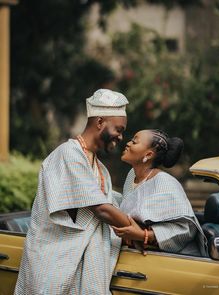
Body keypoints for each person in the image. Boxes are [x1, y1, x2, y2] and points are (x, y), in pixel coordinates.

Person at [14, 89, 133, 295]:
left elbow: (113, 205)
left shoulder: (97, 165)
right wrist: (142, 234)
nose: (121, 137)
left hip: (75, 266)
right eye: (119, 129)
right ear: (99, 122)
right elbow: (102, 210)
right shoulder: (69, 154)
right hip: (53, 267)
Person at [112, 129, 208, 257]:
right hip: (136, 255)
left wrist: (142, 235)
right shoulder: (132, 175)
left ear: (149, 154)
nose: (128, 143)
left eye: (134, 142)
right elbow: (127, 204)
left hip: (175, 261)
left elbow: (186, 229)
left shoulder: (165, 182)